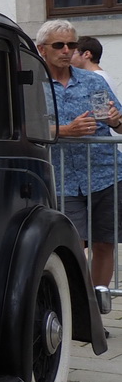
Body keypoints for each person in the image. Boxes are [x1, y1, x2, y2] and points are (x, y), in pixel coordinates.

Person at [41, 19, 122, 291]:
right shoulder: (32, 84)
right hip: (61, 177)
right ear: (42, 49)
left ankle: (97, 309)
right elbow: (23, 127)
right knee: (71, 245)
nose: (66, 50)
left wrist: (114, 121)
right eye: (59, 45)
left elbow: (118, 122)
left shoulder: (91, 81)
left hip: (105, 173)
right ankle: (75, 307)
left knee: (104, 242)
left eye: (71, 45)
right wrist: (65, 130)